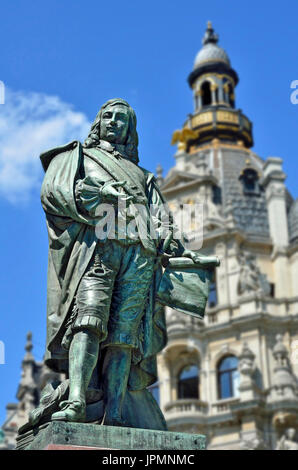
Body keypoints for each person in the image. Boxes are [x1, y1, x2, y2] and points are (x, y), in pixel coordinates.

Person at [39, 98, 218, 426]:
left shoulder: (144, 176)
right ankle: (78, 400)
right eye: (108, 116)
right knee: (88, 322)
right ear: (98, 121)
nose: (113, 122)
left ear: (131, 128)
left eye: (121, 118)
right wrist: (98, 194)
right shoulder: (80, 157)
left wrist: (178, 248)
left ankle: (117, 412)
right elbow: (54, 193)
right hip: (101, 252)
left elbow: (162, 220)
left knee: (124, 337)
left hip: (141, 256)